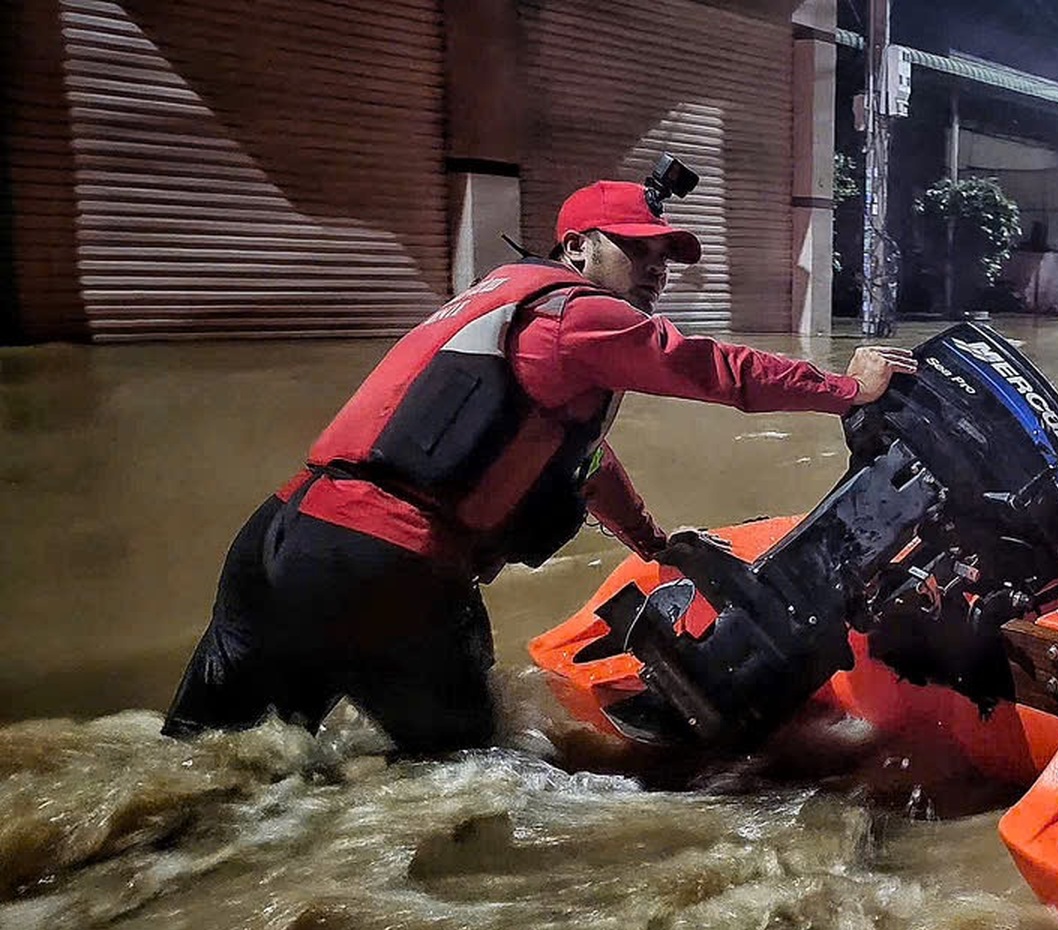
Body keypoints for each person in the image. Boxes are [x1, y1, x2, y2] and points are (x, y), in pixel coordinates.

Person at [164, 179, 916, 754]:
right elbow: (709, 370)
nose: (655, 272)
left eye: (663, 259)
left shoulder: (505, 309)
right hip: (387, 565)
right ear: (578, 248)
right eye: (637, 250)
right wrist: (847, 387)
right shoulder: (582, 315)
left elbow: (582, 462)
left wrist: (653, 544)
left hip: (279, 541)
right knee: (471, 770)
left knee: (214, 755)